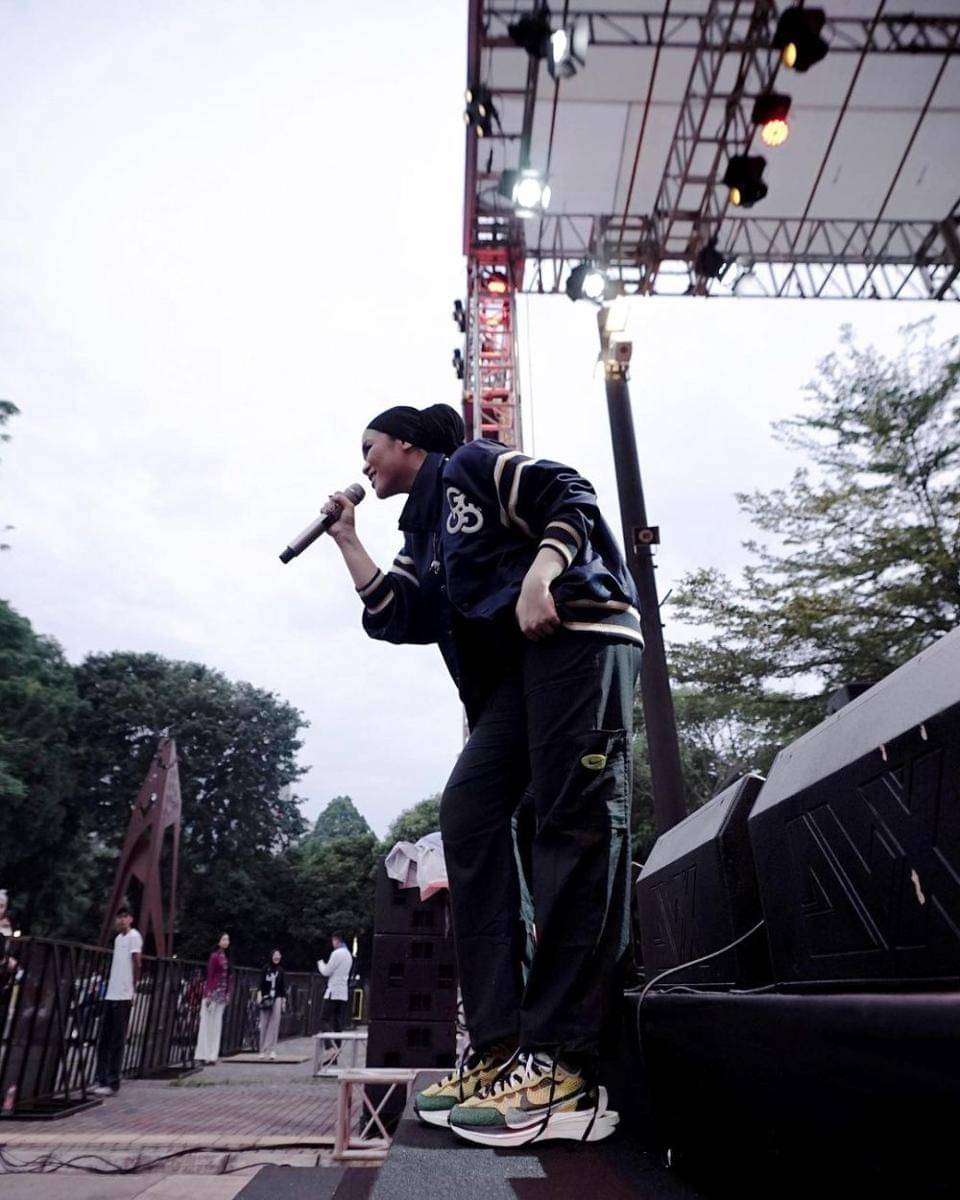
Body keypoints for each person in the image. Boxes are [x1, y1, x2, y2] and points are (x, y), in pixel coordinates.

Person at [325, 404, 641, 1146]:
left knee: (573, 823)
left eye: (370, 446)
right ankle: (502, 1044)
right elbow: (397, 613)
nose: (364, 462)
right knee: (467, 816)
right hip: (515, 678)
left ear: (407, 443)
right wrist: (347, 539)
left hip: (576, 632)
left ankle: (564, 1062)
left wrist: (541, 575)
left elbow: (570, 493)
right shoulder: (421, 531)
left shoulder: (471, 464)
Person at [92, 907, 142, 1096]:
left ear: (130, 919)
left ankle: (113, 1081)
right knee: (105, 1039)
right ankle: (102, 1078)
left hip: (123, 993)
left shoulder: (134, 937)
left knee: (117, 1039)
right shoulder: (118, 939)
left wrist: (133, 988)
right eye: (119, 917)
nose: (121, 920)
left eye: (124, 917)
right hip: (112, 992)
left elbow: (137, 962)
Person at [194, 932, 232, 1064]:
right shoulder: (214, 957)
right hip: (213, 993)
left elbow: (229, 977)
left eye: (227, 939)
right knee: (207, 1024)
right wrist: (208, 994)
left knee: (217, 1025)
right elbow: (210, 975)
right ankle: (204, 1054)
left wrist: (228, 993)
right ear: (219, 941)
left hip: (221, 995)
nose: (226, 942)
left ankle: (212, 1055)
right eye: (224, 939)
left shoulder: (227, 957)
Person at [317, 933, 353, 1035]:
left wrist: (320, 963)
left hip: (333, 991)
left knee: (324, 1019)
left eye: (333, 941)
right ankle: (338, 1043)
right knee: (337, 1020)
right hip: (343, 992)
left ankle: (329, 1043)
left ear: (336, 941)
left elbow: (326, 972)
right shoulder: (348, 955)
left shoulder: (336, 953)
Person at [256, 948, 286, 1059]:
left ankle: (272, 1049)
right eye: (275, 955)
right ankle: (262, 1049)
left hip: (277, 997)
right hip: (266, 997)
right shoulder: (265, 968)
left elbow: (282, 986)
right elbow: (260, 983)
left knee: (275, 1023)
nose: (277, 957)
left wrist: (283, 1001)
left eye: (279, 955)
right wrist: (259, 994)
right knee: (264, 1023)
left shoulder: (281, 970)